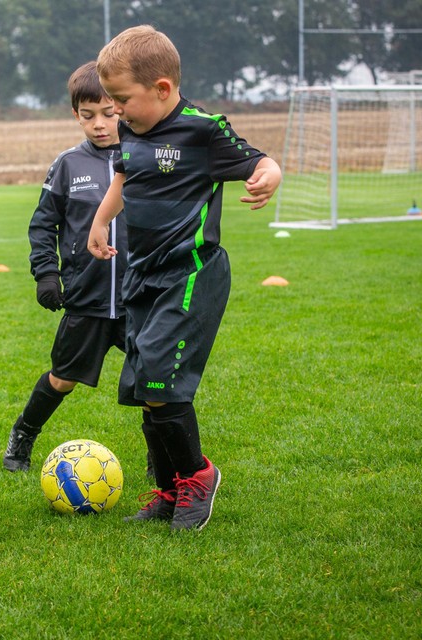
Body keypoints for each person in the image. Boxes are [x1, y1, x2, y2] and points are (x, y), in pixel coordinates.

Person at [87, 25, 282, 531]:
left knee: (158, 376)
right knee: (143, 385)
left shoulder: (202, 130)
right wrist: (101, 219)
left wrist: (271, 171)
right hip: (144, 274)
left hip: (190, 273)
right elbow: (127, 179)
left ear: (163, 89)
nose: (115, 113)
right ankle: (171, 491)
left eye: (121, 100)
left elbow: (256, 158)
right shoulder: (133, 131)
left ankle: (197, 475)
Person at [2, 61, 129, 473]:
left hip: (140, 297)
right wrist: (47, 274)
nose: (99, 125)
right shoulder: (68, 165)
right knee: (63, 379)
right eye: (88, 115)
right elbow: (43, 224)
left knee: (155, 380)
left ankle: (161, 456)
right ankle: (22, 436)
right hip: (86, 297)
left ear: (123, 108)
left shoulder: (144, 158)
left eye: (108, 114)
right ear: (76, 114)